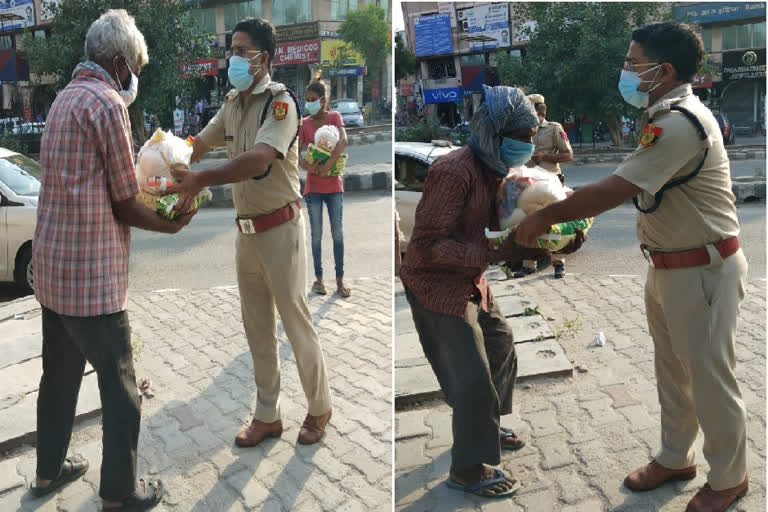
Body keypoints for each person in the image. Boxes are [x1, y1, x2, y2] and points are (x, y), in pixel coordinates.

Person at [516, 22, 748, 512]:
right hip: (668, 267)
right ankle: (674, 457)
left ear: (662, 71)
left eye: (631, 63)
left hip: (702, 272)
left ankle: (729, 478)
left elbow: (615, 190)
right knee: (673, 372)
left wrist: (544, 216)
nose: (625, 71)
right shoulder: (661, 115)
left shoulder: (680, 123)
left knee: (709, 377)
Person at [31, 10, 197, 510]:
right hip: (91, 281)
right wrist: (170, 224)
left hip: (53, 274)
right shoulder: (106, 104)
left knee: (58, 377)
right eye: (136, 67)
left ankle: (46, 473)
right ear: (121, 62)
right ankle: (121, 494)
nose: (134, 78)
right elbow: (126, 199)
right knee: (121, 386)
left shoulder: (63, 99)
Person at [400, 85, 583, 498]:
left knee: (500, 346)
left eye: (534, 133)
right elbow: (428, 246)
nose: (532, 143)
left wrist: (559, 233)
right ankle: (467, 468)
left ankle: (488, 428)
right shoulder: (454, 171)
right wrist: (503, 249)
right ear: (496, 133)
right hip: (436, 284)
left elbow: (523, 220)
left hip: (470, 278)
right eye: (524, 134)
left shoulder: (501, 171)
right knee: (471, 378)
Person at [173, 17, 333, 447]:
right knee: (257, 328)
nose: (234, 58)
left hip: (281, 229)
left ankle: (319, 408)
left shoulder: (280, 103)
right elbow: (198, 145)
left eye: (242, 50)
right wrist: (162, 157)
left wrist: (200, 179)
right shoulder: (232, 102)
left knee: (296, 323)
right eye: (232, 50)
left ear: (264, 57)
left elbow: (259, 159)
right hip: (245, 234)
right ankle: (268, 416)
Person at [298, 76, 351, 297]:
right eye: (307, 99)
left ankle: (340, 280)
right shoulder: (305, 124)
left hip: (334, 187)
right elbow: (295, 152)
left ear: (323, 100)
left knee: (337, 233)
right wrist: (308, 168)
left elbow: (344, 141)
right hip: (313, 189)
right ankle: (319, 280)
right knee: (317, 235)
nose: (309, 103)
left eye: (313, 99)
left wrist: (329, 163)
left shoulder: (334, 117)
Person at [516, 93, 574, 279]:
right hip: (529, 183)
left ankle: (558, 263)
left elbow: (568, 155)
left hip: (552, 181)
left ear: (541, 110)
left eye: (534, 110)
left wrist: (544, 157)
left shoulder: (554, 128)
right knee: (528, 222)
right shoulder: (521, 130)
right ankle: (528, 264)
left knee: (556, 222)